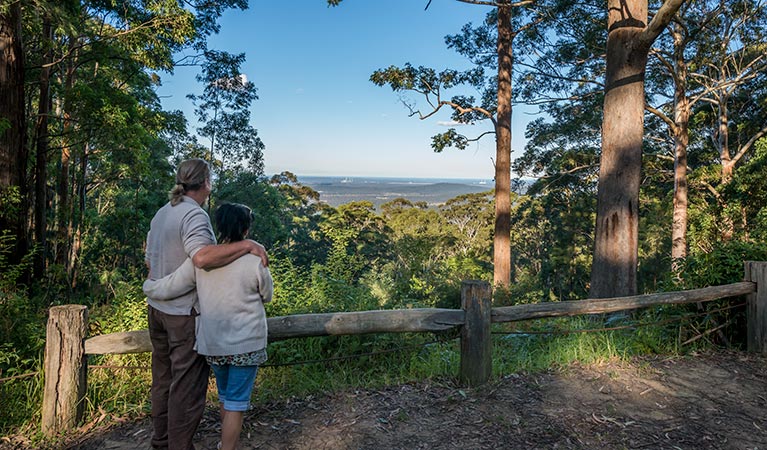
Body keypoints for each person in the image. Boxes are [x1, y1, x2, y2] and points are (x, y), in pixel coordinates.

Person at [144, 159, 267, 450]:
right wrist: (248, 246)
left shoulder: (162, 213)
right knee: (186, 389)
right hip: (182, 314)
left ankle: (161, 442)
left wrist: (155, 287)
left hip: (157, 309)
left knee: (162, 381)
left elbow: (149, 260)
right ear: (206, 183)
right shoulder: (194, 215)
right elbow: (201, 258)